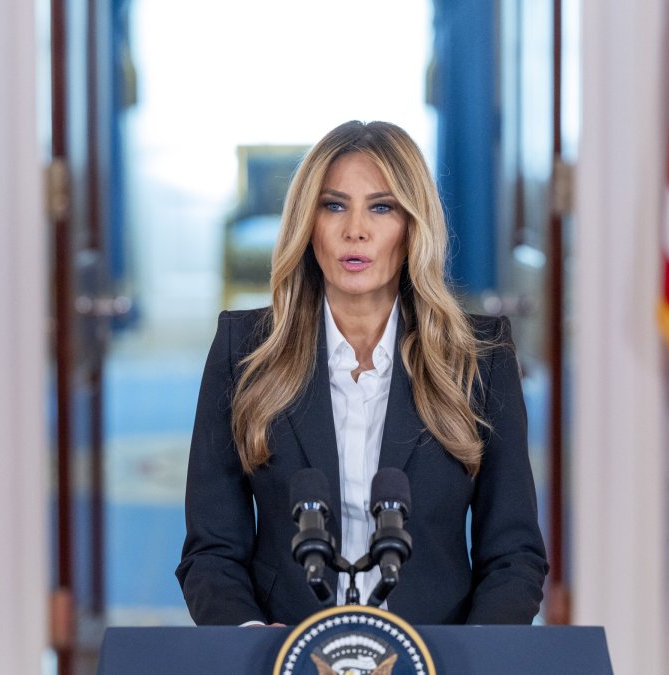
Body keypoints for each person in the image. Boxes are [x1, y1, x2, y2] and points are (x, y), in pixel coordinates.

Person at [176, 120, 547, 626]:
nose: (356, 230)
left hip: (433, 652)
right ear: (307, 224)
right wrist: (254, 640)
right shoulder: (243, 350)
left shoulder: (480, 357)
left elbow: (514, 556)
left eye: (381, 207)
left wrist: (467, 655)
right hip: (286, 651)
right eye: (334, 206)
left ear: (413, 225)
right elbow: (212, 552)